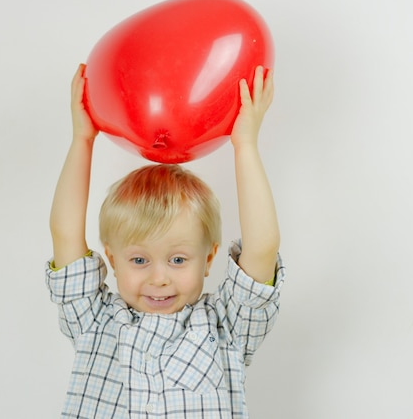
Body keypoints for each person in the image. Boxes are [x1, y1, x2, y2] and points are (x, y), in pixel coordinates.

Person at [46, 63, 284, 418]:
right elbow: (64, 234)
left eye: (177, 259)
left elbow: (262, 249)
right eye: (139, 260)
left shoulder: (225, 327)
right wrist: (83, 139)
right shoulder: (96, 321)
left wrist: (245, 144)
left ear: (208, 259)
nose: (159, 278)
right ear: (112, 258)